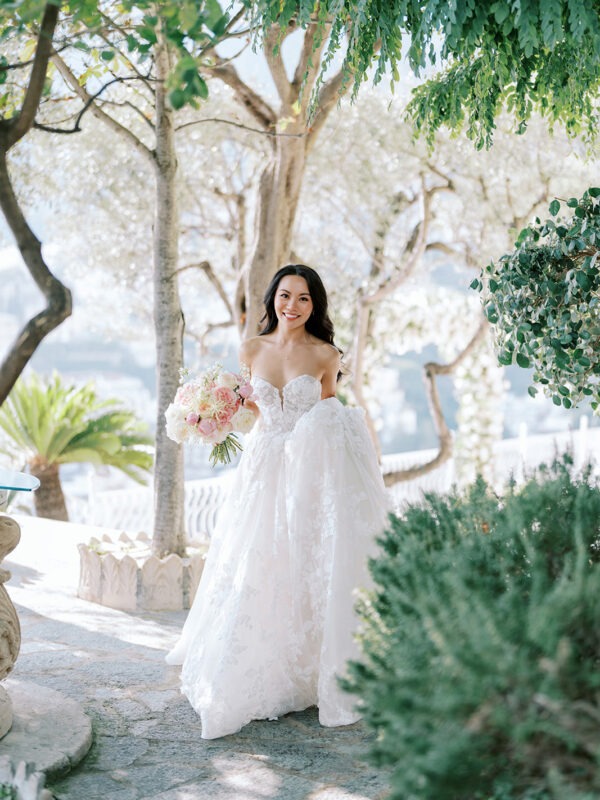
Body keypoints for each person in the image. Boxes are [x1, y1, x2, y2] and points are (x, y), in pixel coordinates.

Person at [166, 264, 389, 739]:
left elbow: (331, 417)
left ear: (315, 305)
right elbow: (252, 409)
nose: (292, 305)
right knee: (259, 558)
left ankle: (312, 665)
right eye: (285, 295)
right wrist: (212, 410)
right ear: (272, 299)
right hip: (264, 468)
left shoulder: (326, 354)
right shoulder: (251, 349)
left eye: (303, 298)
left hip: (309, 471)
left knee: (309, 558)